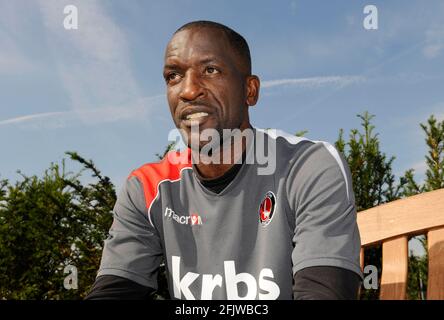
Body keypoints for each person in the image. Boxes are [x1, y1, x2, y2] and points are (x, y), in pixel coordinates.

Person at [86, 20, 362, 300]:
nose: (188, 90)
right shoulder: (146, 187)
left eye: (210, 70)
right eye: (173, 76)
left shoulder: (307, 166)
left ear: (250, 91)